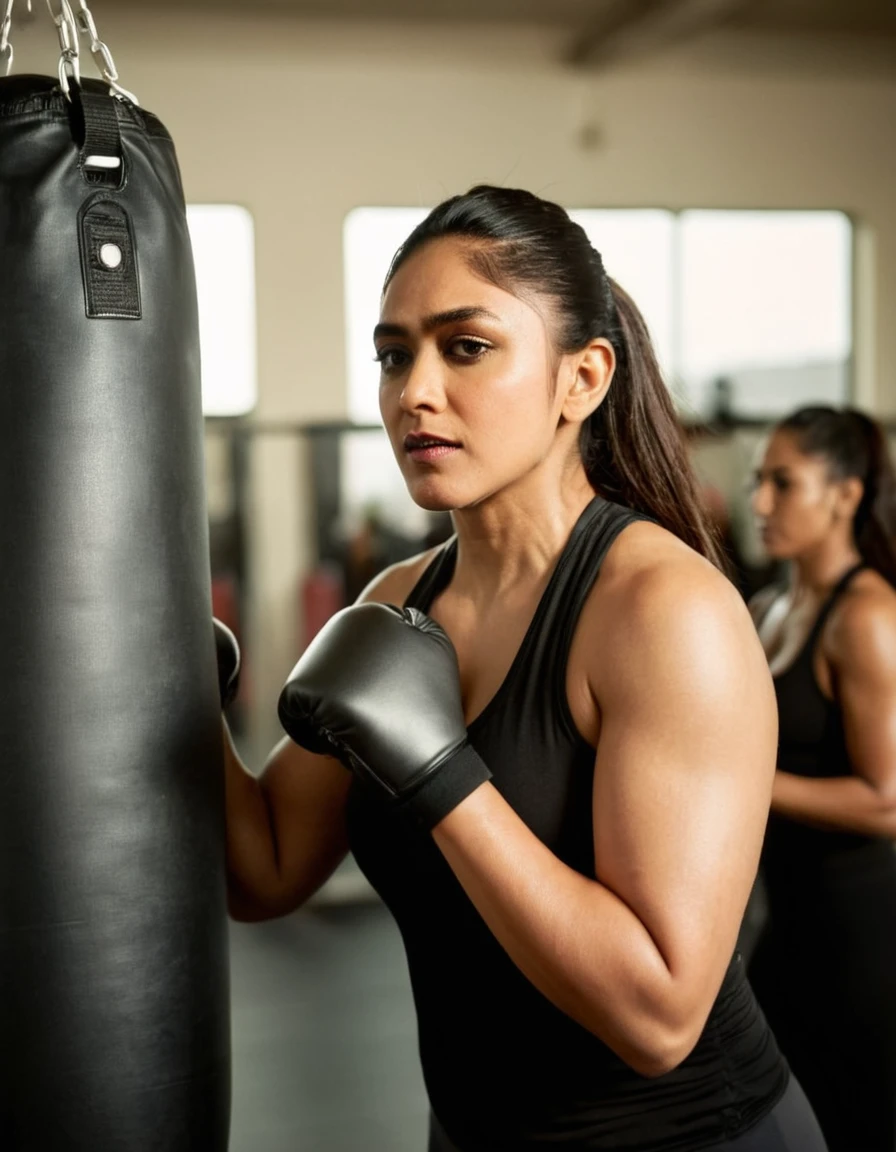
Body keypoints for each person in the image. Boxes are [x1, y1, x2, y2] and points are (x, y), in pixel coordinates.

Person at [220, 186, 827, 1151]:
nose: (415, 390)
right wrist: (169, 675)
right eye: (393, 354)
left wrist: (444, 775)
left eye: (465, 347)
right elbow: (264, 871)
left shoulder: (664, 614)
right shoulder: (398, 598)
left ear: (581, 379)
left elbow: (659, 1018)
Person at [747, 405, 896, 1152]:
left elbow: (889, 800)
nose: (760, 503)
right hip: (789, 930)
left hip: (865, 944)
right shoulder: (769, 607)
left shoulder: (866, 617)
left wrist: (746, 780)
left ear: (846, 493)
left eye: (784, 482)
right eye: (758, 482)